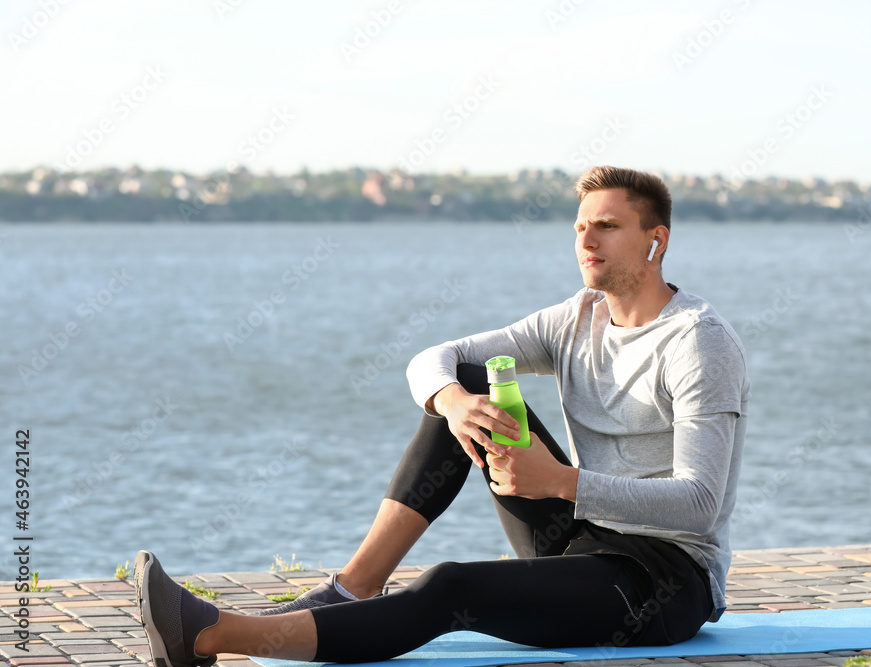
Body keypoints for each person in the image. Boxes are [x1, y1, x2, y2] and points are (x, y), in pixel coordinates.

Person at [133, 165, 750, 666]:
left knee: (455, 586)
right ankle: (353, 586)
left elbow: (698, 502)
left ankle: (210, 635)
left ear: (655, 240)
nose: (586, 242)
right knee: (470, 385)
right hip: (583, 536)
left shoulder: (698, 341)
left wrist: (559, 483)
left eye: (607, 227)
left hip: (662, 578)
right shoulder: (577, 316)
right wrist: (453, 402)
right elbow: (436, 359)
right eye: (579, 227)